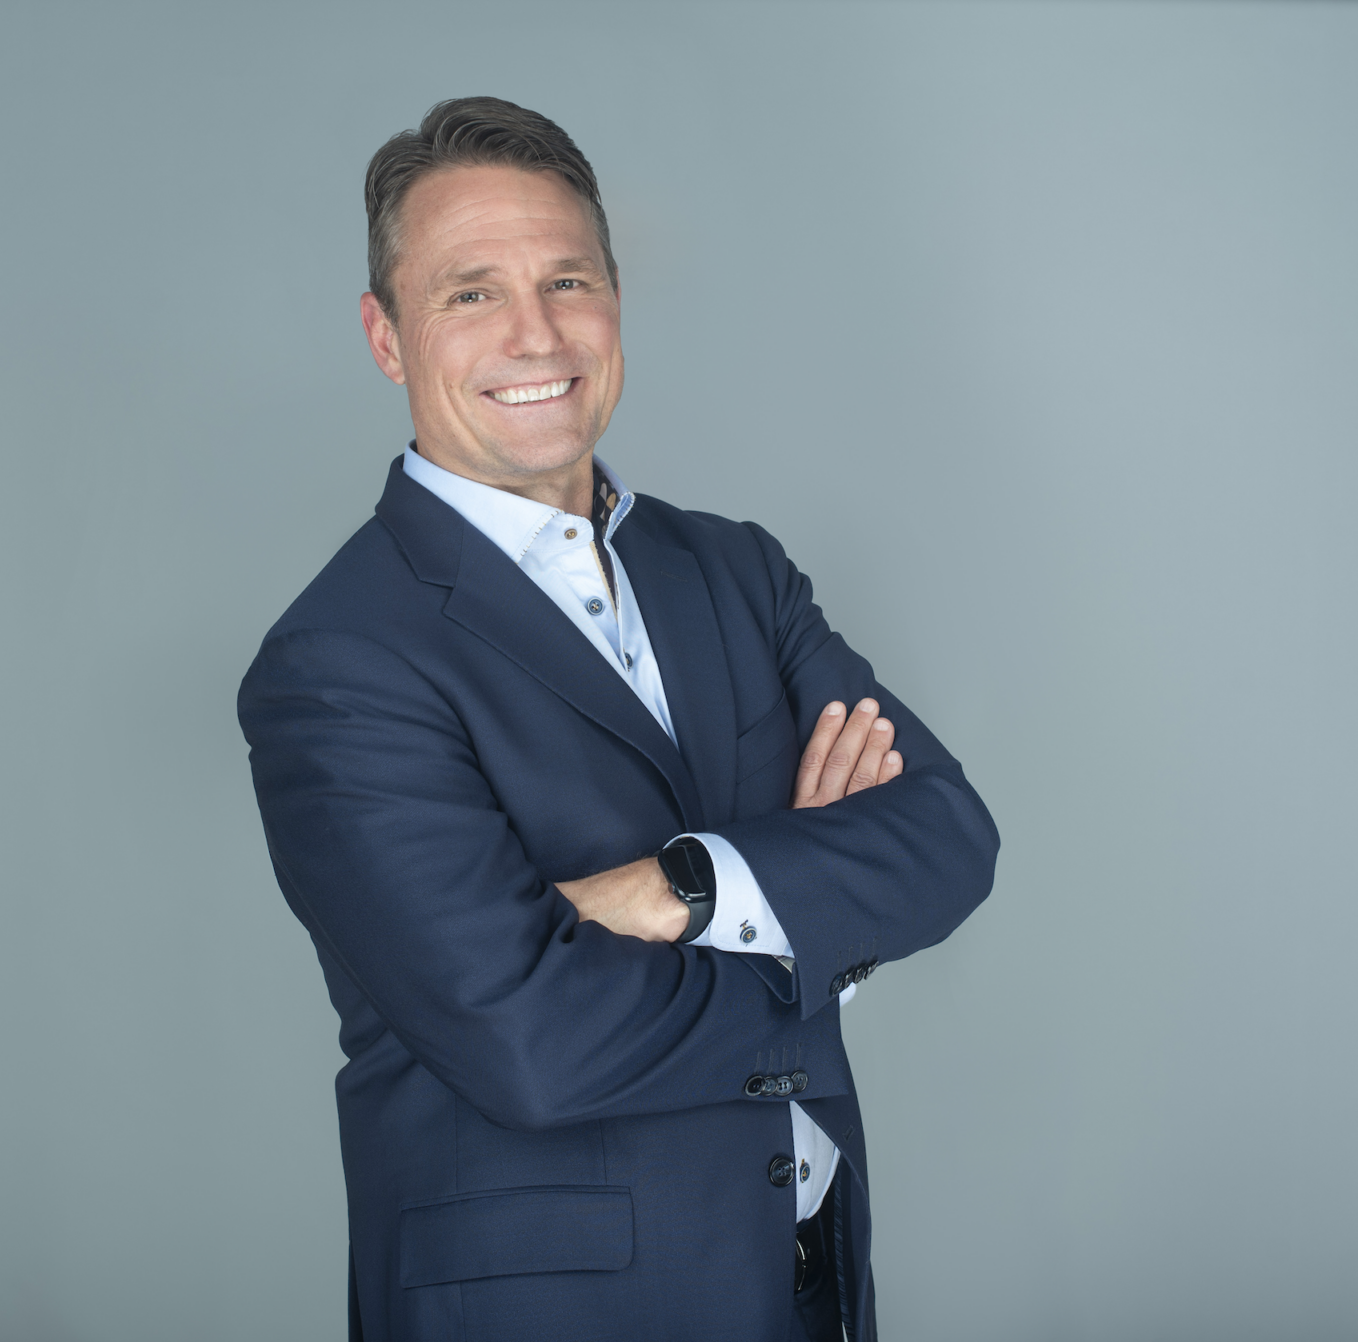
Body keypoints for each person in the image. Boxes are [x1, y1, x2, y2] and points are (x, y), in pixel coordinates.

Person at [238, 96, 998, 1342]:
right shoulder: (338, 660)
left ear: (615, 301)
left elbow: (948, 838)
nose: (535, 332)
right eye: (470, 292)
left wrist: (681, 888)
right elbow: (529, 1043)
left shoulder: (738, 573)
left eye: (568, 280)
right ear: (385, 337)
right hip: (554, 1307)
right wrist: (810, 928)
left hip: (805, 1280)